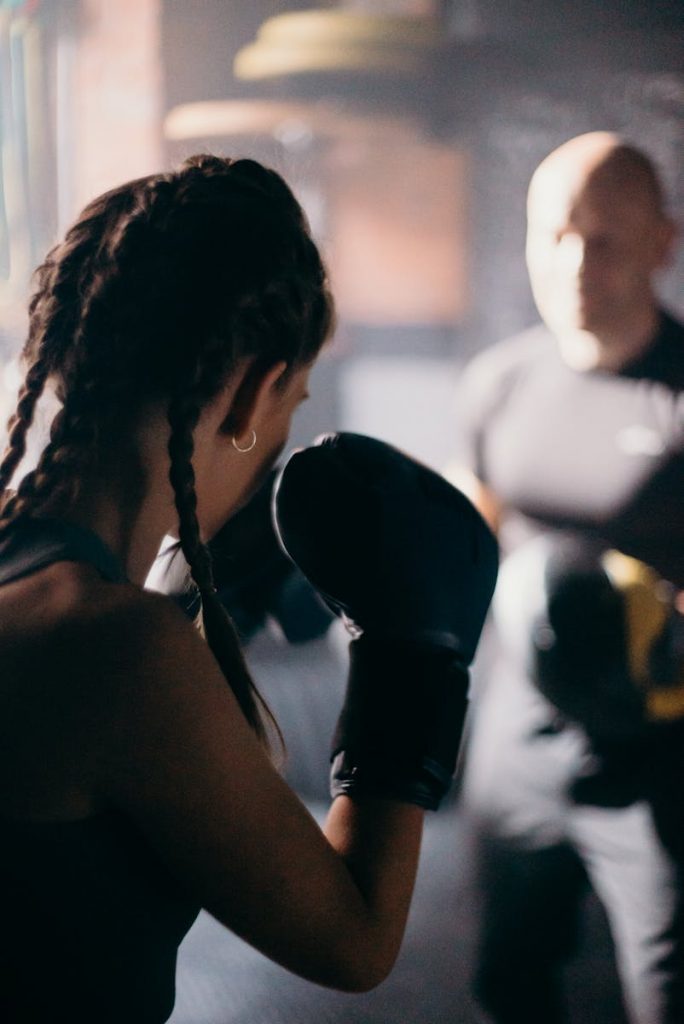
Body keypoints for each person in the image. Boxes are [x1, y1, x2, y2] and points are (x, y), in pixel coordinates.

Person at [0, 154, 497, 1023]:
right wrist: (410, 653)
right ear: (257, 387)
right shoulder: (124, 654)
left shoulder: (61, 597)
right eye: (290, 404)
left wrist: (185, 589)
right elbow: (355, 941)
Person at [448, 131, 684, 1024]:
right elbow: (469, 553)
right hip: (518, 750)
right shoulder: (496, 385)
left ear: (665, 242)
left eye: (607, 237)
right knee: (509, 986)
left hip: (662, 758)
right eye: (556, 234)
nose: (577, 261)